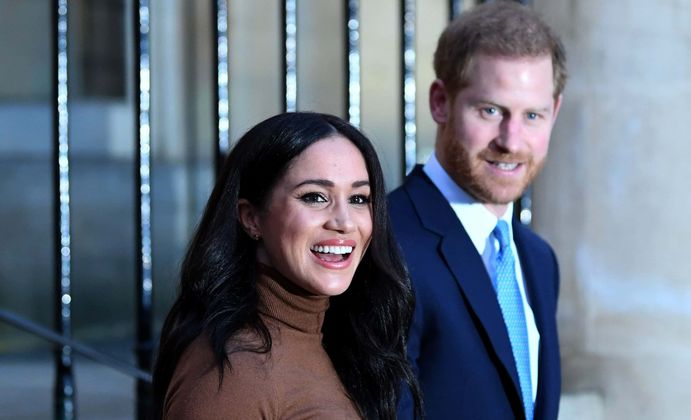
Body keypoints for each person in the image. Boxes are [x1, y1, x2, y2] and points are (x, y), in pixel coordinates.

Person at [153, 112, 422, 419]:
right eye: (315, 197)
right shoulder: (233, 375)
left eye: (359, 199)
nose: (344, 222)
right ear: (251, 218)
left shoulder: (337, 340)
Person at [388, 2, 566, 419]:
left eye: (533, 115)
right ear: (440, 102)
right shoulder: (386, 244)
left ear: (554, 112)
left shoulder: (539, 260)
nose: (511, 140)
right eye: (491, 111)